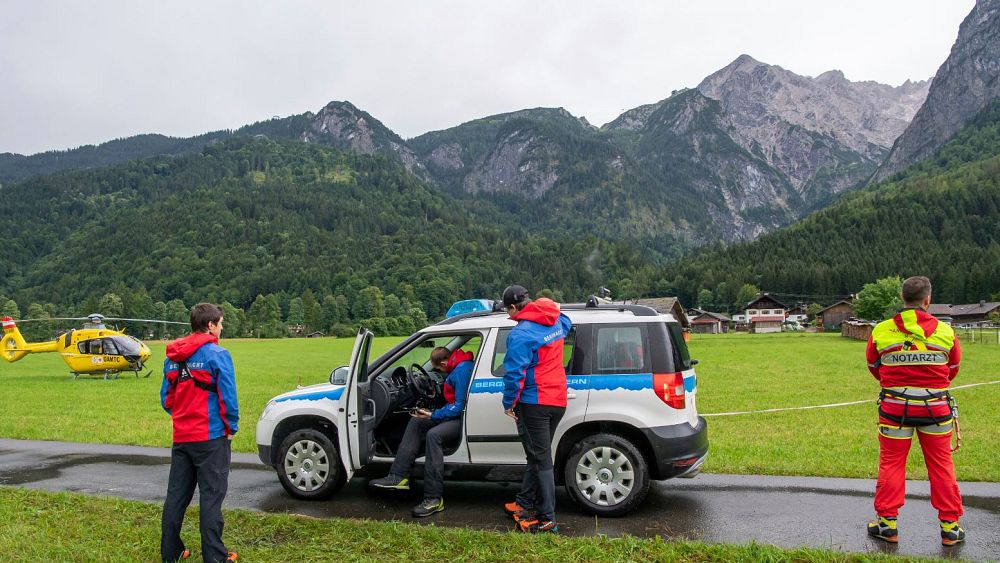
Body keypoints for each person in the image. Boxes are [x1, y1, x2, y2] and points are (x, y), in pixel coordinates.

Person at [865, 276, 964, 546]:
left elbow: (874, 366)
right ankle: (950, 527)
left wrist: (899, 385)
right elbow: (952, 368)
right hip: (936, 410)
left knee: (892, 464)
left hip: (895, 410)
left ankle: (886, 525)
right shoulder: (945, 331)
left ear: (902, 298)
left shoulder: (881, 330)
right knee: (941, 466)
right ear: (928, 300)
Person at [160, 303, 240, 562]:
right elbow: (228, 396)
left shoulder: (171, 358)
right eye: (220, 323)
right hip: (211, 439)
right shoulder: (218, 354)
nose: (222, 327)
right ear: (210, 326)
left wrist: (183, 419)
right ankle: (215, 558)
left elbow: (166, 400)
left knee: (176, 497)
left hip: (181, 438)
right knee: (211, 498)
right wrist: (231, 428)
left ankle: (171, 553)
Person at [499, 285, 572, 533]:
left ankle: (546, 518)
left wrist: (509, 402)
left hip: (535, 403)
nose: (507, 315)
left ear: (512, 307)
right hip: (558, 400)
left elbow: (514, 373)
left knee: (541, 460)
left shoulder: (520, 334)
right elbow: (566, 319)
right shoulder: (556, 322)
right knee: (537, 454)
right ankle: (524, 502)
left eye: (507, 310)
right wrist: (553, 306)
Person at [370, 346, 474, 517]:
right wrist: (429, 413)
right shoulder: (459, 365)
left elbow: (458, 407)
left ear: (443, 362)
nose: (439, 371)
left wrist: (434, 414)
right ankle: (398, 475)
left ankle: (434, 498)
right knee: (417, 421)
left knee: (434, 436)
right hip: (455, 414)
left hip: (461, 418)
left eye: (438, 369)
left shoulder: (461, 371)